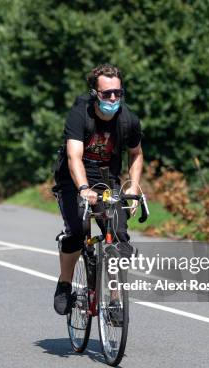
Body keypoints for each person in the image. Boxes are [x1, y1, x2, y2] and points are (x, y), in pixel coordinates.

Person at [52, 63, 144, 315]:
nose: (113, 98)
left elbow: (136, 154)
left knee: (118, 235)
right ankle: (65, 283)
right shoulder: (80, 115)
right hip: (73, 179)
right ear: (95, 93)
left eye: (118, 92)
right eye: (107, 94)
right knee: (77, 232)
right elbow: (74, 157)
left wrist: (133, 189)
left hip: (106, 178)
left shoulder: (128, 120)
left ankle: (115, 300)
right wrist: (82, 188)